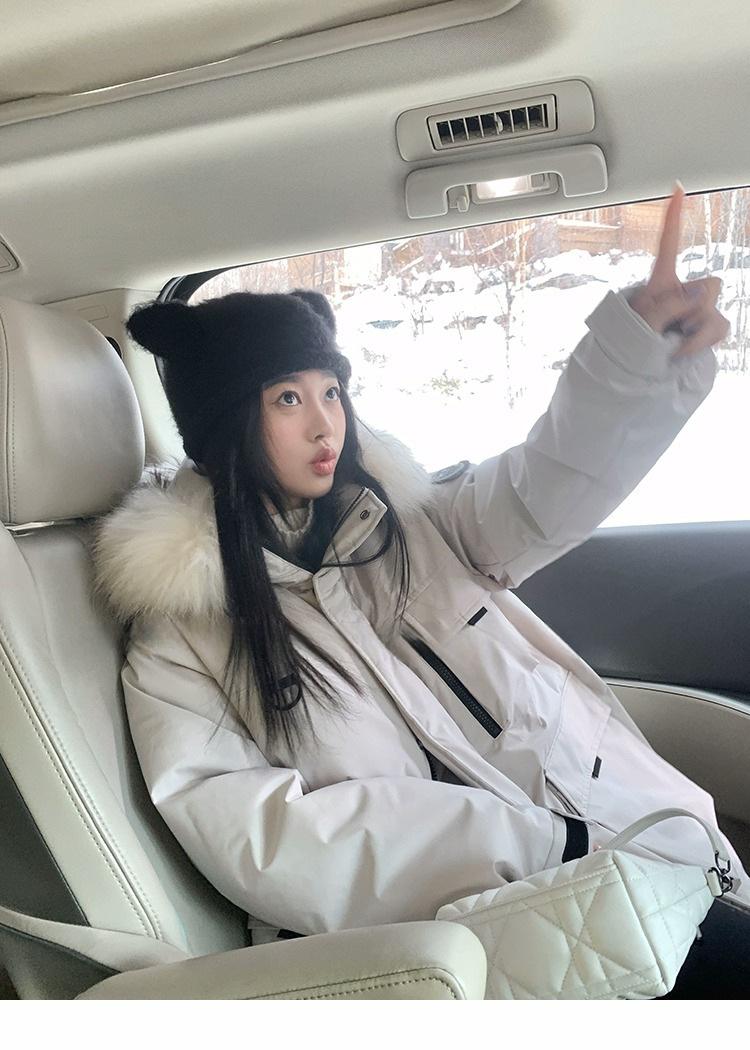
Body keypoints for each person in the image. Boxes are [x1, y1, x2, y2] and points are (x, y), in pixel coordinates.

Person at [93, 185, 750, 997]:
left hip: (630, 854)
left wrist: (636, 362)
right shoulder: (182, 637)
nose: (325, 424)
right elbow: (264, 838)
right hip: (471, 936)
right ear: (222, 422)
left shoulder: (409, 523)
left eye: (331, 391)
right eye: (288, 398)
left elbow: (542, 491)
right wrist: (534, 846)